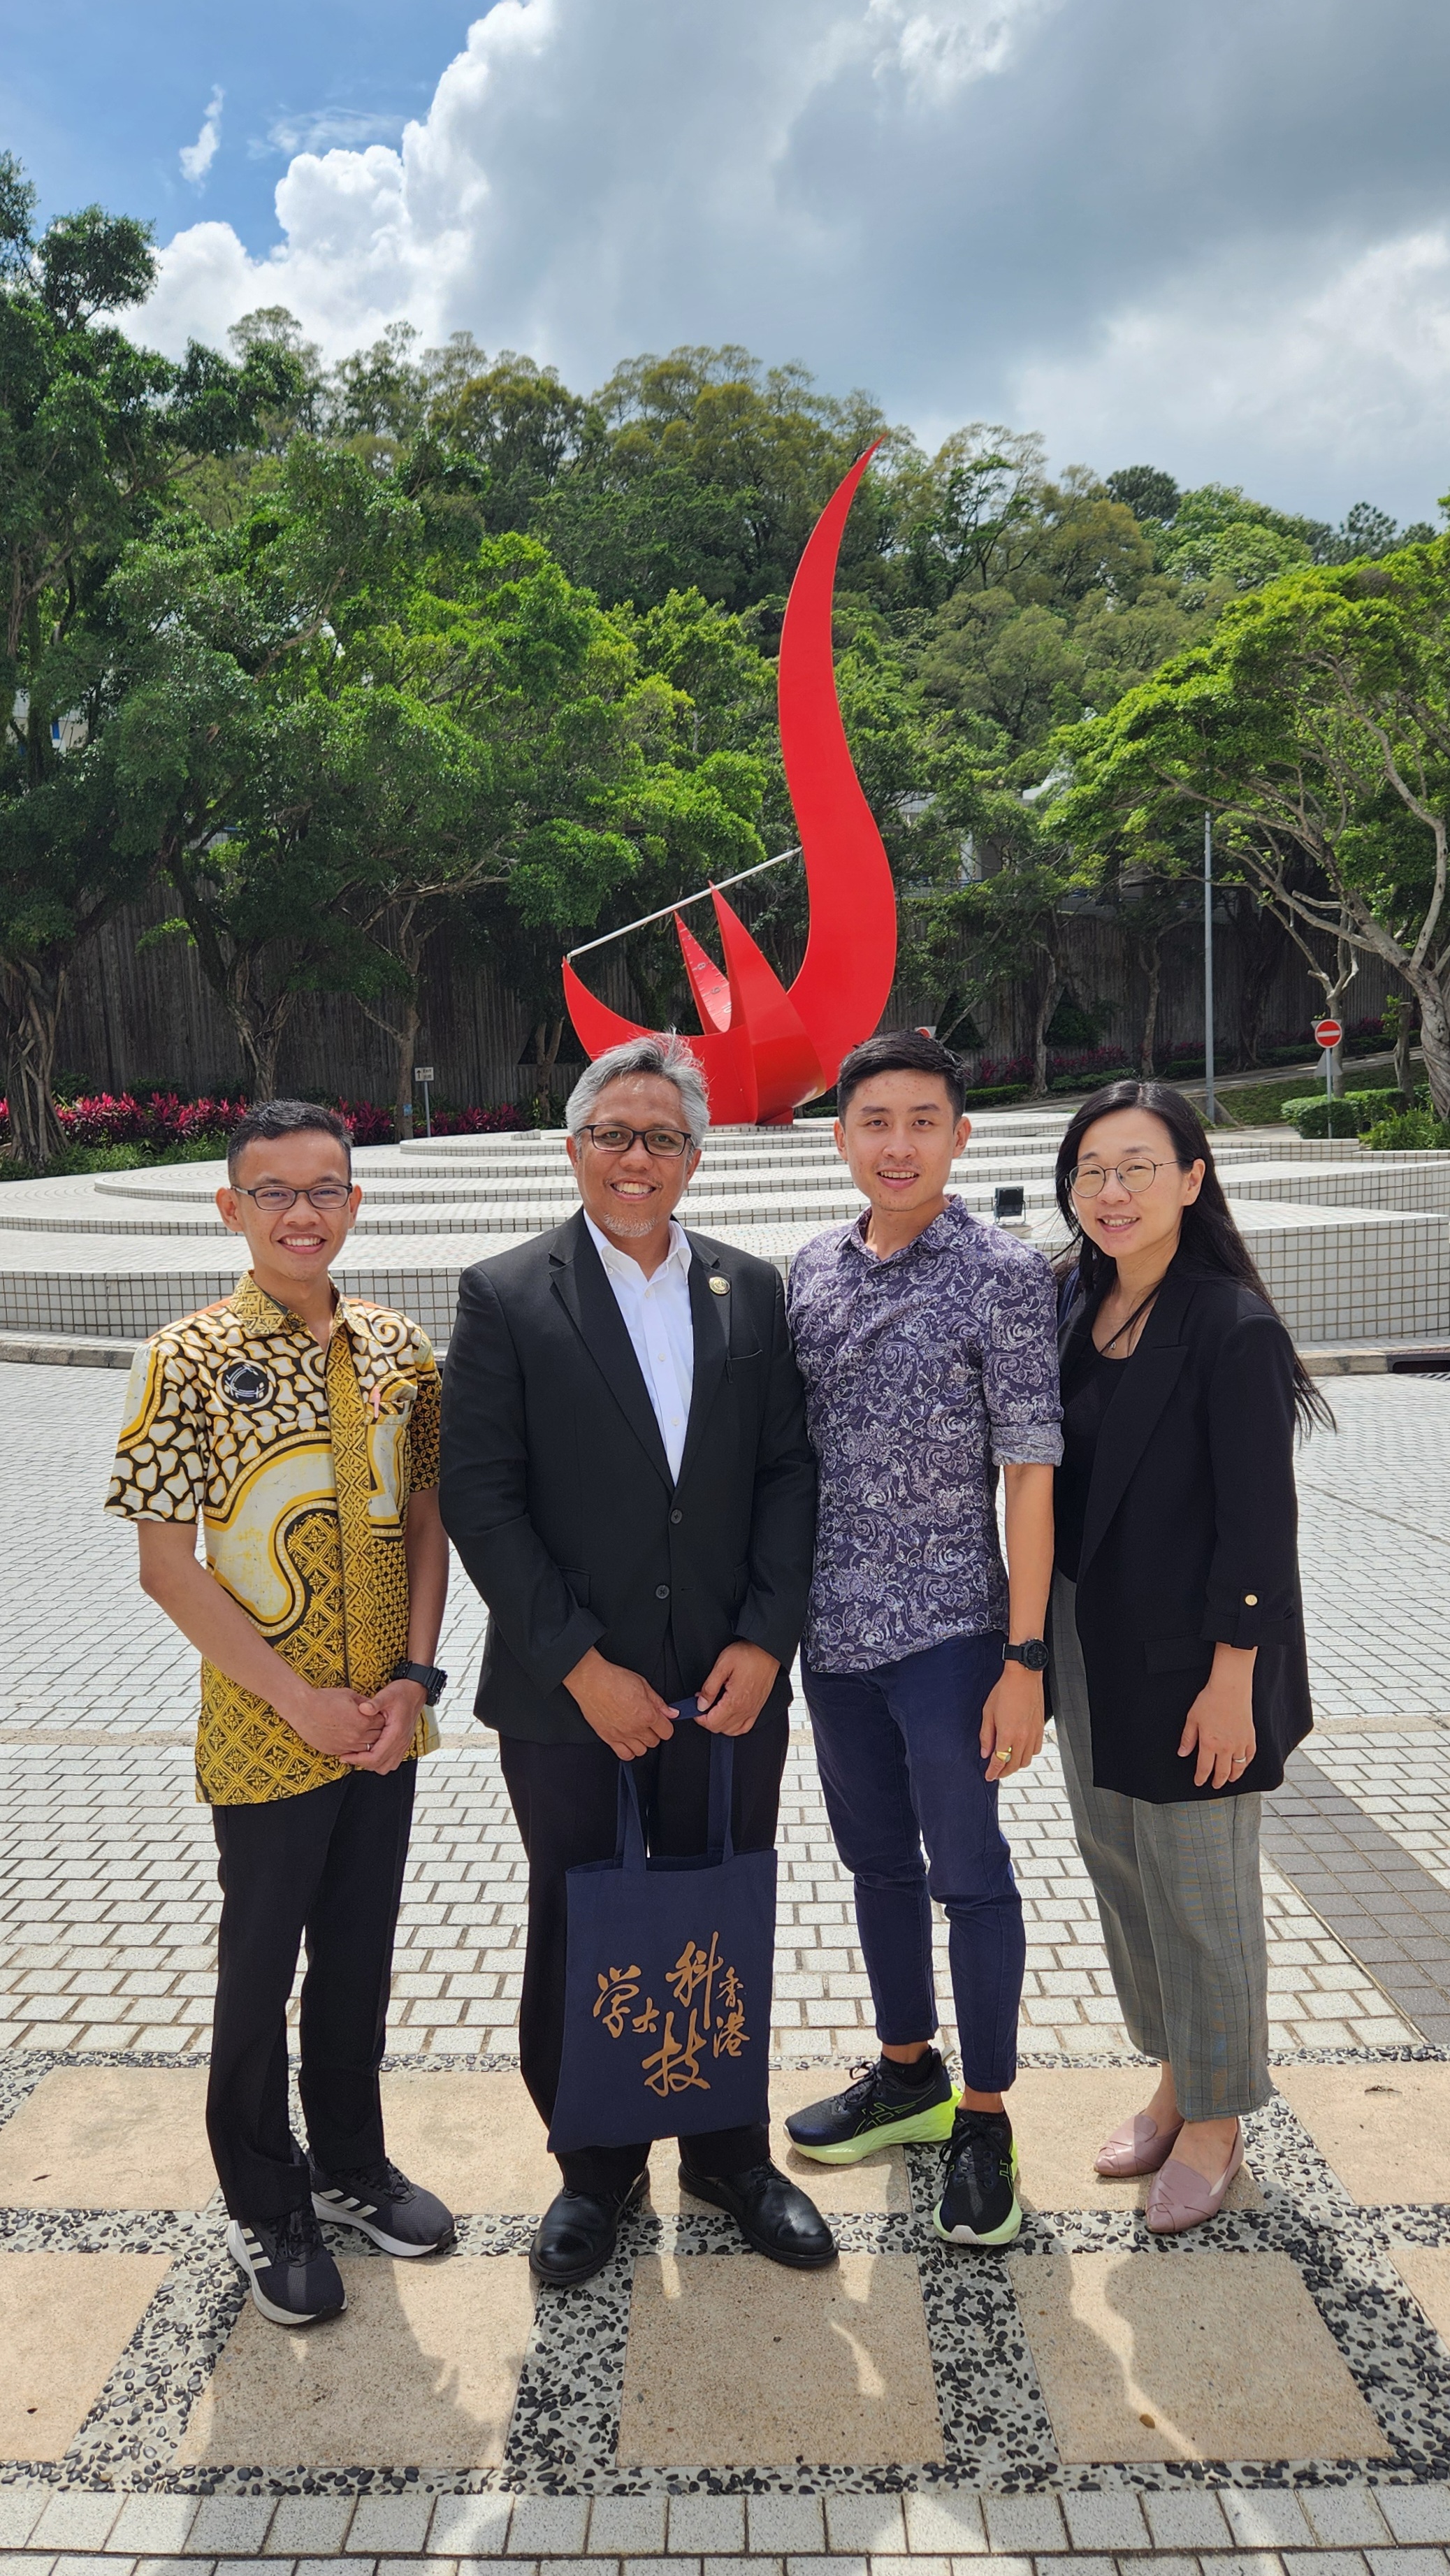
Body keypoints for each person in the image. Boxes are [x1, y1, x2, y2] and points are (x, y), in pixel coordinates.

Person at [439, 1034, 832, 2287]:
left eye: (663, 1137)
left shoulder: (749, 1290)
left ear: (696, 1157)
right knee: (584, 1914)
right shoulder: (506, 1294)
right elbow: (481, 1496)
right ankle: (593, 2165)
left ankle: (725, 2147)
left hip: (729, 1691)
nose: (637, 1157)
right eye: (614, 1133)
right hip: (571, 1700)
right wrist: (581, 1667)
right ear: (573, 1148)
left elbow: (786, 1471)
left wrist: (768, 1637)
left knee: (718, 1904)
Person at [105, 1100, 455, 2327]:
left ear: (356, 1202)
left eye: (325, 1190)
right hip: (268, 1730)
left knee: (357, 1959)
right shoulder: (187, 1356)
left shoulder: (404, 1350)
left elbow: (425, 1520)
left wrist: (415, 1679)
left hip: (387, 1727)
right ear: (231, 1208)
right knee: (260, 1970)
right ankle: (264, 2192)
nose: (302, 1213)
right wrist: (300, 1700)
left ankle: (352, 2163)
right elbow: (165, 1562)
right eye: (274, 1193)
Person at [783, 1030, 1061, 2250]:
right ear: (841, 1136)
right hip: (831, 1639)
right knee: (875, 1866)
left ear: (961, 1133)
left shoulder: (1004, 1273)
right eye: (874, 1121)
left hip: (953, 1633)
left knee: (970, 1872)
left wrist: (1025, 1659)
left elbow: (1032, 1473)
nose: (897, 1143)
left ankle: (986, 2115)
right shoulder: (810, 1269)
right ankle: (908, 2071)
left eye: (922, 1120)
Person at [1048, 1079, 1328, 2233]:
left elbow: (1261, 1525)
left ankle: (1217, 2122)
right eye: (1092, 1170)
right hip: (1089, 1645)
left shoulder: (1230, 1324)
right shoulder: (1077, 1297)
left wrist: (1233, 1682)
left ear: (1194, 1180)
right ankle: (1178, 2076)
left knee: (1204, 1892)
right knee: (1126, 1875)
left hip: (1201, 1658)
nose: (1112, 1192)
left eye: (1139, 1167)